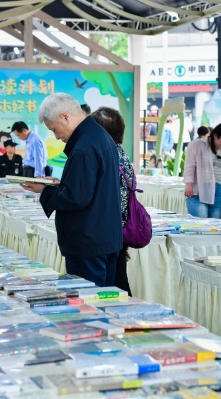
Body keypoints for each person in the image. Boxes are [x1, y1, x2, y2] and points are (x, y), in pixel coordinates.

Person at [21, 93, 122, 287]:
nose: (56, 136)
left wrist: (44, 190)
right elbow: (91, 186)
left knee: (88, 307)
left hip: (88, 242)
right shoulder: (97, 136)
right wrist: (60, 184)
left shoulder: (84, 146)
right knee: (102, 304)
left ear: (65, 117)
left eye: (55, 129)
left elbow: (77, 198)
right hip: (102, 237)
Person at [92, 106, 133, 296]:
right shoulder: (121, 154)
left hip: (106, 233)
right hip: (116, 233)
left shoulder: (106, 156)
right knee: (117, 285)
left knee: (111, 291)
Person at [184, 123, 221, 219]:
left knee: (214, 225)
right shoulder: (198, 145)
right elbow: (190, 164)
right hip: (199, 191)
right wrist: (188, 183)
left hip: (218, 191)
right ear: (216, 135)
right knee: (202, 224)